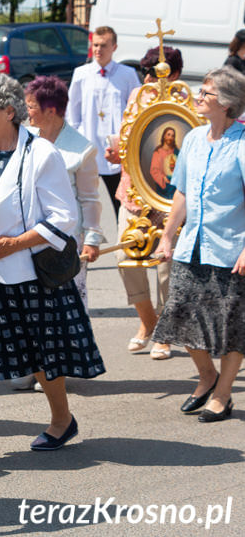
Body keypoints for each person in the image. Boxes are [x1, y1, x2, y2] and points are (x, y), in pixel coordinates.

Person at [0, 74, 105, 468]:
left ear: (9, 112)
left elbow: (65, 219)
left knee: (41, 353)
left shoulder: (41, 154)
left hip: (24, 272)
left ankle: (62, 419)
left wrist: (16, 243)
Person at [153, 66, 245, 423]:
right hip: (193, 245)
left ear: (226, 102)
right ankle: (207, 375)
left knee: (231, 323)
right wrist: (167, 235)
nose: (198, 97)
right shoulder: (192, 138)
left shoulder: (241, 141)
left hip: (230, 249)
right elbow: (182, 193)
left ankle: (223, 395)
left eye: (205, 93)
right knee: (181, 312)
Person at [16, 75, 103, 391]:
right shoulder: (24, 139)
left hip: (67, 243)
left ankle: (56, 369)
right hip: (27, 237)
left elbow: (90, 199)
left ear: (50, 110)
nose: (27, 113)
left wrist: (92, 238)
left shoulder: (81, 149)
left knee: (61, 307)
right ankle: (32, 364)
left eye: (31, 107)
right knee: (29, 303)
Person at [105, 45, 184, 361]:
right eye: (147, 71)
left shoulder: (185, 103)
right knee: (126, 258)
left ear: (173, 74)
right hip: (134, 194)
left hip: (169, 199)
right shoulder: (137, 98)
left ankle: (164, 332)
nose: (149, 77)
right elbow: (129, 142)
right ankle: (147, 321)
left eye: (155, 71)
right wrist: (118, 154)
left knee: (167, 267)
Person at [66, 25, 141, 215]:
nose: (98, 50)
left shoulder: (127, 74)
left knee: (120, 202)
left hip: (114, 149)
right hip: (89, 144)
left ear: (114, 47)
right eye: (96, 45)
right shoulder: (82, 74)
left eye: (104, 45)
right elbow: (72, 111)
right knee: (83, 201)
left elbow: (136, 109)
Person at [149, 126, 178, 197]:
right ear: (164, 136)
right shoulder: (158, 152)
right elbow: (154, 170)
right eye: (168, 135)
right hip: (163, 187)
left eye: (172, 136)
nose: (170, 138)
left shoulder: (176, 152)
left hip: (175, 185)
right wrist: (163, 178)